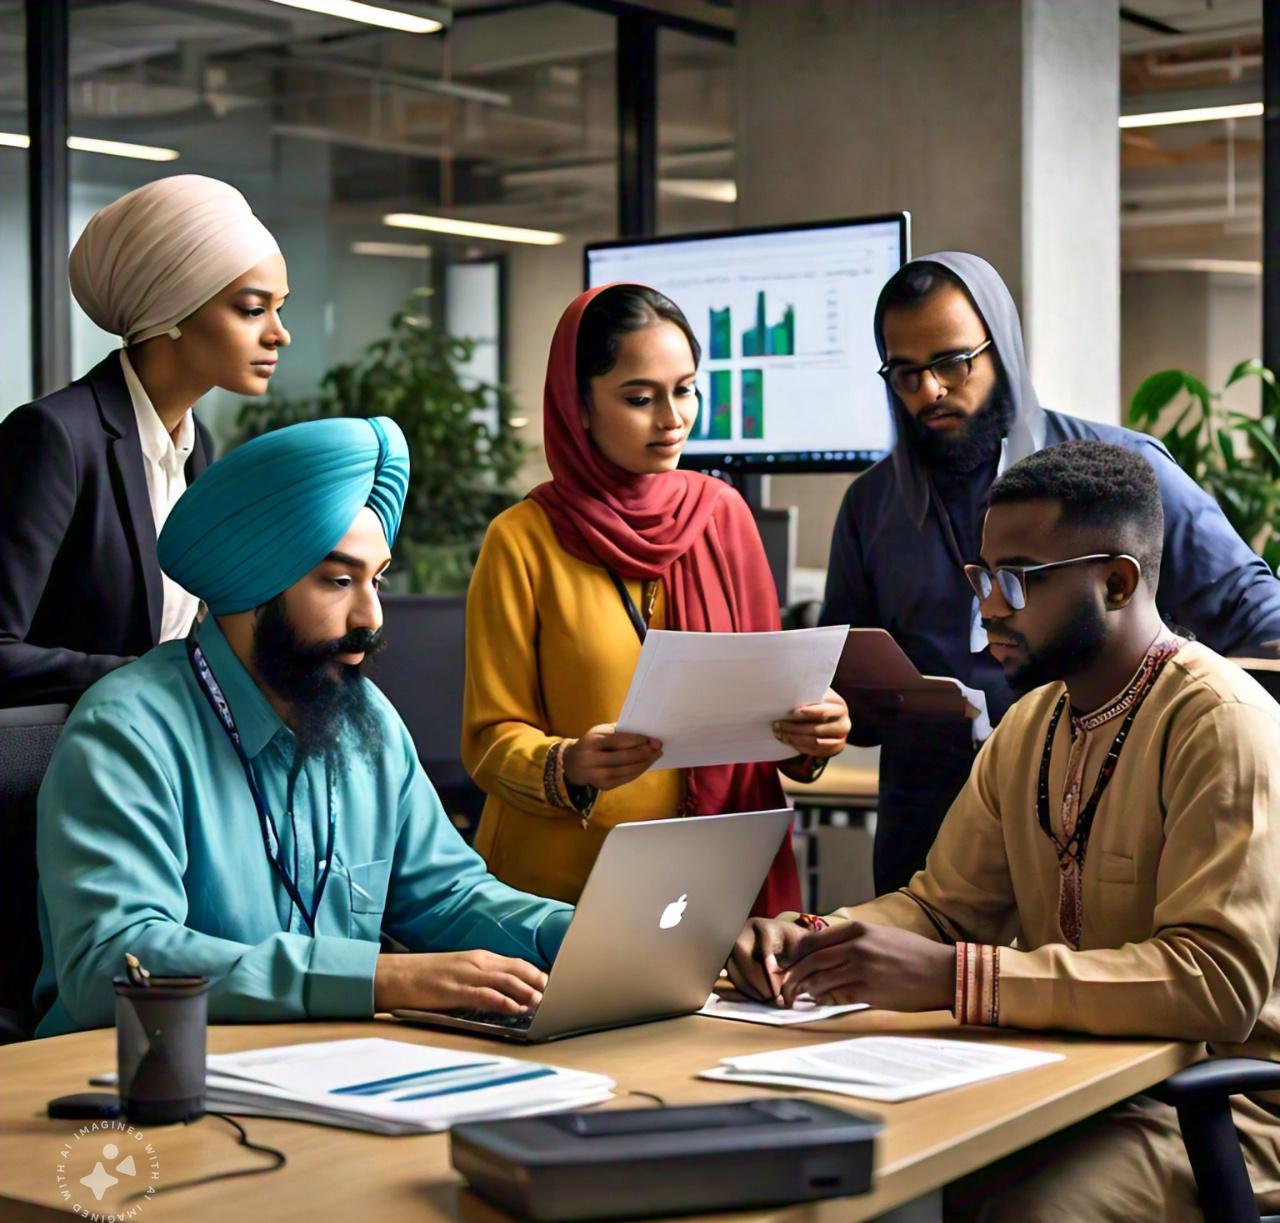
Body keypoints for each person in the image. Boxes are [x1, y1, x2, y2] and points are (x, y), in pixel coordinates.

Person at [732, 440, 1280, 1223]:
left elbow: (1215, 984)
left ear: (1119, 582)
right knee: (845, 1205)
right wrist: (818, 935)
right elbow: (942, 906)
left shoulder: (1220, 722)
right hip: (1074, 1078)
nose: (989, 606)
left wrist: (957, 978)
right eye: (980, 575)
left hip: (1230, 1105)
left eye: (1019, 579)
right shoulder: (1029, 724)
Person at [34, 415, 572, 1036]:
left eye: (378, 579)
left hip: (325, 1072)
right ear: (253, 583)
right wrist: (380, 978)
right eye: (339, 581)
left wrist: (581, 937)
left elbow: (447, 897)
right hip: (134, 1084)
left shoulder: (365, 718)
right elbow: (115, 960)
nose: (370, 616)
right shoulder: (126, 732)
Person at [822, 251, 1280, 894]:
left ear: (1001, 349)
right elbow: (845, 690)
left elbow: (1255, 613)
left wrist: (1187, 730)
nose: (929, 390)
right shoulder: (871, 506)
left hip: (1097, 812)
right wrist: (833, 719)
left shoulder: (1114, 471)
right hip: (928, 839)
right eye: (904, 374)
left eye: (952, 363)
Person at [462, 284, 851, 911]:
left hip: (707, 881)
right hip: (560, 896)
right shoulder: (522, 540)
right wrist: (569, 763)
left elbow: (768, 711)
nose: (672, 418)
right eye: (640, 398)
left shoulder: (723, 517)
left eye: (686, 389)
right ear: (579, 404)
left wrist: (813, 731)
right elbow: (487, 742)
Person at [0, 174, 290, 708]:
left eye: (279, 308)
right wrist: (160, 676)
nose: (279, 333)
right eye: (252, 309)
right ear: (172, 313)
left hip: (163, 751)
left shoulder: (194, 444)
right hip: (60, 767)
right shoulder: (55, 437)